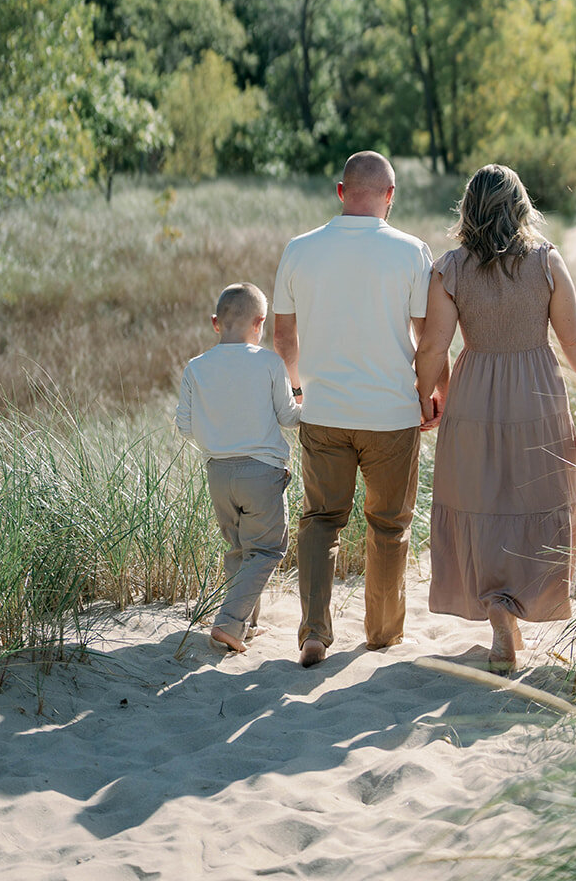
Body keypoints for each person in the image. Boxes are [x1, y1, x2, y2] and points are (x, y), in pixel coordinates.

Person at [414, 164, 576, 673]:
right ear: (521, 206)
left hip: (474, 394)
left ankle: (498, 608)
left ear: (467, 209)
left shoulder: (451, 268)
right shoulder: (545, 262)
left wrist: (421, 396)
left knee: (482, 499)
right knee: (536, 496)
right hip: (535, 392)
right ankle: (515, 600)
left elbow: (433, 345)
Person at [272, 151, 434, 666]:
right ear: (391, 197)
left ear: (341, 192)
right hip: (392, 414)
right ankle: (383, 633)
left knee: (321, 520)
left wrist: (299, 390)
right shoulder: (412, 251)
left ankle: (315, 632)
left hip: (325, 412)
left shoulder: (299, 249)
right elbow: (427, 339)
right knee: (389, 525)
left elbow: (282, 333)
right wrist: (431, 395)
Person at [175, 282, 300, 655]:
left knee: (240, 550)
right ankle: (229, 624)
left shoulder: (196, 367)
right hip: (261, 471)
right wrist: (308, 401)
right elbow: (288, 417)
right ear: (259, 324)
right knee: (266, 550)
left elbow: (184, 426)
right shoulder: (268, 362)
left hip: (218, 474)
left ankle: (247, 623)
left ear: (216, 322)